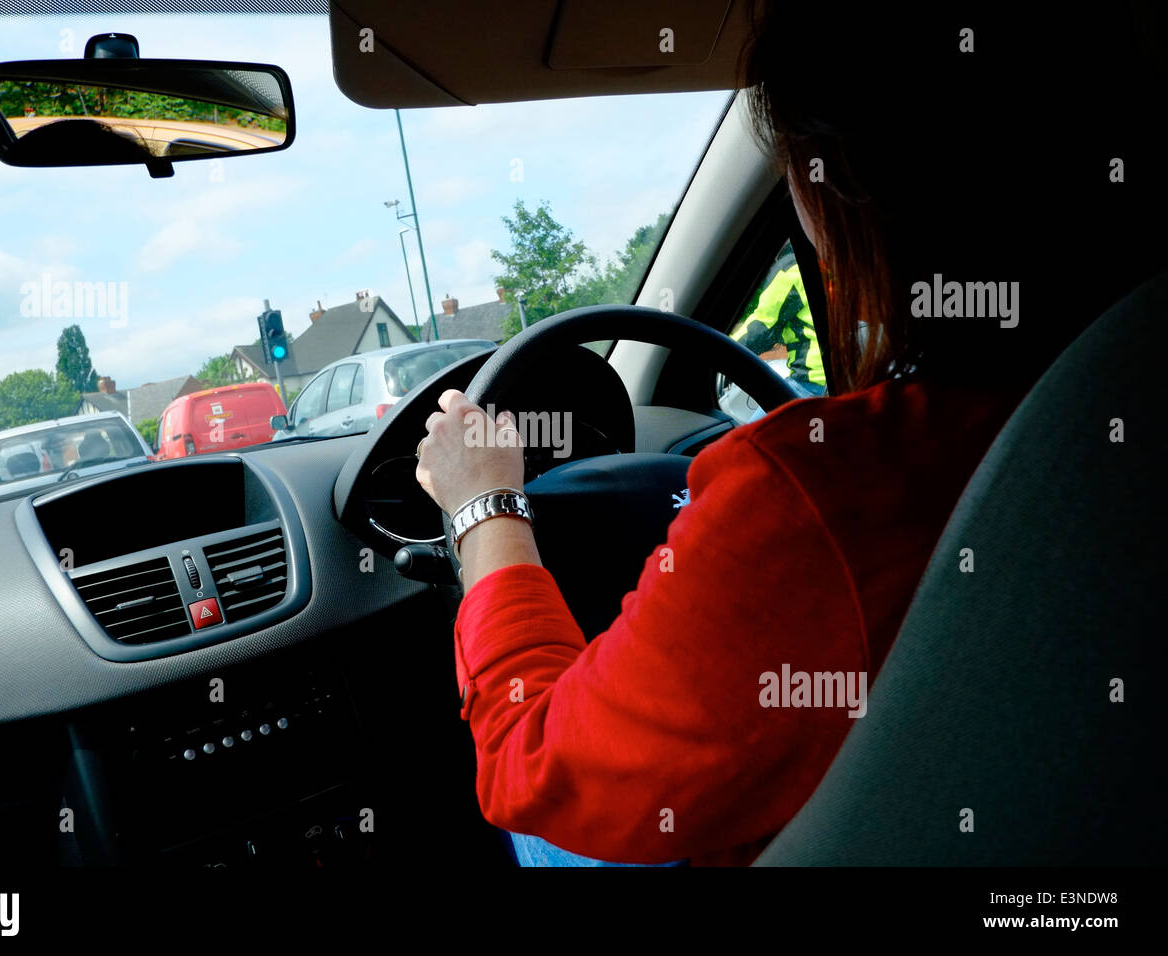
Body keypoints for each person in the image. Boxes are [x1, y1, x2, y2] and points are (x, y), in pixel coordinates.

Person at [414, 1, 1166, 865]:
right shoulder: (1123, 400)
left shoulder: (819, 496)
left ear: (837, 187)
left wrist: (485, 507)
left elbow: (533, 767)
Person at [736, 255, 826, 395]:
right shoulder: (833, 260)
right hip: (849, 378)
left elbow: (762, 327)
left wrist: (723, 346)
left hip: (813, 382)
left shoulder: (792, 269)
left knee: (762, 418)